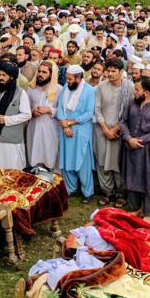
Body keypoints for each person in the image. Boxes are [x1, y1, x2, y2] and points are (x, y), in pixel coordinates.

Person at [120, 76, 150, 223]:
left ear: (146, 92)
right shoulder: (132, 104)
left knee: (148, 181)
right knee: (130, 178)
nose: (134, 92)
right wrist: (128, 138)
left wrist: (138, 141)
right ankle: (134, 208)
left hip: (147, 150)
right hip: (130, 148)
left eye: (137, 90)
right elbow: (123, 122)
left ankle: (147, 213)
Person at [93, 59, 133, 206]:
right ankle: (107, 192)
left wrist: (115, 129)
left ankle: (121, 193)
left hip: (120, 132)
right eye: (108, 71)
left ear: (121, 72)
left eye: (113, 71)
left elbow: (129, 112)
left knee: (118, 163)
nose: (109, 74)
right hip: (102, 130)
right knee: (102, 162)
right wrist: (105, 129)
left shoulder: (129, 87)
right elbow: (96, 109)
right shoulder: (101, 86)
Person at [57, 65, 96, 203]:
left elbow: (89, 114)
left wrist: (70, 123)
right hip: (65, 130)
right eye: (66, 78)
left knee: (82, 162)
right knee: (67, 160)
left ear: (78, 79)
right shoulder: (65, 89)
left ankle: (88, 192)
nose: (67, 81)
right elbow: (60, 108)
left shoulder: (90, 91)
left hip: (81, 130)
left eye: (70, 79)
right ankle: (70, 188)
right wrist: (63, 123)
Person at [0, 61, 32, 170]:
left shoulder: (21, 93)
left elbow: (27, 114)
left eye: (4, 75)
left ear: (12, 77)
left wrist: (7, 120)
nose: (0, 77)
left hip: (13, 140)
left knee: (13, 167)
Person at [26, 60, 62, 171]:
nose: (40, 74)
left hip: (51, 129)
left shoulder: (59, 89)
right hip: (34, 127)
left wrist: (49, 110)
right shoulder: (31, 88)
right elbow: (25, 108)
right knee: (35, 156)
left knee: (51, 157)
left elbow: (63, 112)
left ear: (51, 74)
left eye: (44, 72)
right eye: (39, 72)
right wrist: (32, 111)